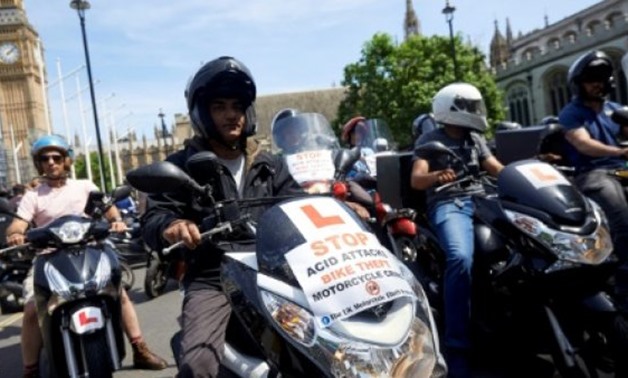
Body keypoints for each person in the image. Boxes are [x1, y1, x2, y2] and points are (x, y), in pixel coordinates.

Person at [141, 56, 305, 377]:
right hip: (214, 276)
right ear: (203, 113)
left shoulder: (269, 164)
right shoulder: (183, 166)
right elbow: (154, 218)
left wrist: (341, 209)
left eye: (237, 106)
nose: (231, 114)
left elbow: (298, 203)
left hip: (275, 272)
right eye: (219, 106)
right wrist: (172, 226)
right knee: (197, 364)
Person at [6, 134, 167, 377]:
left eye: (56, 157)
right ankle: (31, 368)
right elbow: (17, 225)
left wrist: (117, 221)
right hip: (49, 258)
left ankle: (139, 347)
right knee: (31, 310)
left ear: (66, 160)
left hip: (91, 251)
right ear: (38, 163)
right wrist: (16, 234)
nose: (51, 162)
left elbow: (108, 208)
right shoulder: (33, 196)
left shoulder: (84, 186)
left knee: (119, 294)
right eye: (45, 158)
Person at [410, 82, 504, 378]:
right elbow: (417, 180)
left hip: (483, 199)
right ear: (451, 108)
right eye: (470, 108)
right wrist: (438, 175)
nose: (476, 113)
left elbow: (494, 167)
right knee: (460, 258)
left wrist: (523, 173)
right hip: (450, 203)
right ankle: (457, 347)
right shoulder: (429, 138)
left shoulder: (475, 137)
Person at [558, 49, 628, 313]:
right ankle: (625, 289)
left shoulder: (616, 111)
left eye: (601, 77)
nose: (597, 83)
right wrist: (620, 151)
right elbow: (584, 145)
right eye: (591, 79)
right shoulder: (571, 113)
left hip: (623, 169)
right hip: (593, 173)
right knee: (621, 217)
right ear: (580, 84)